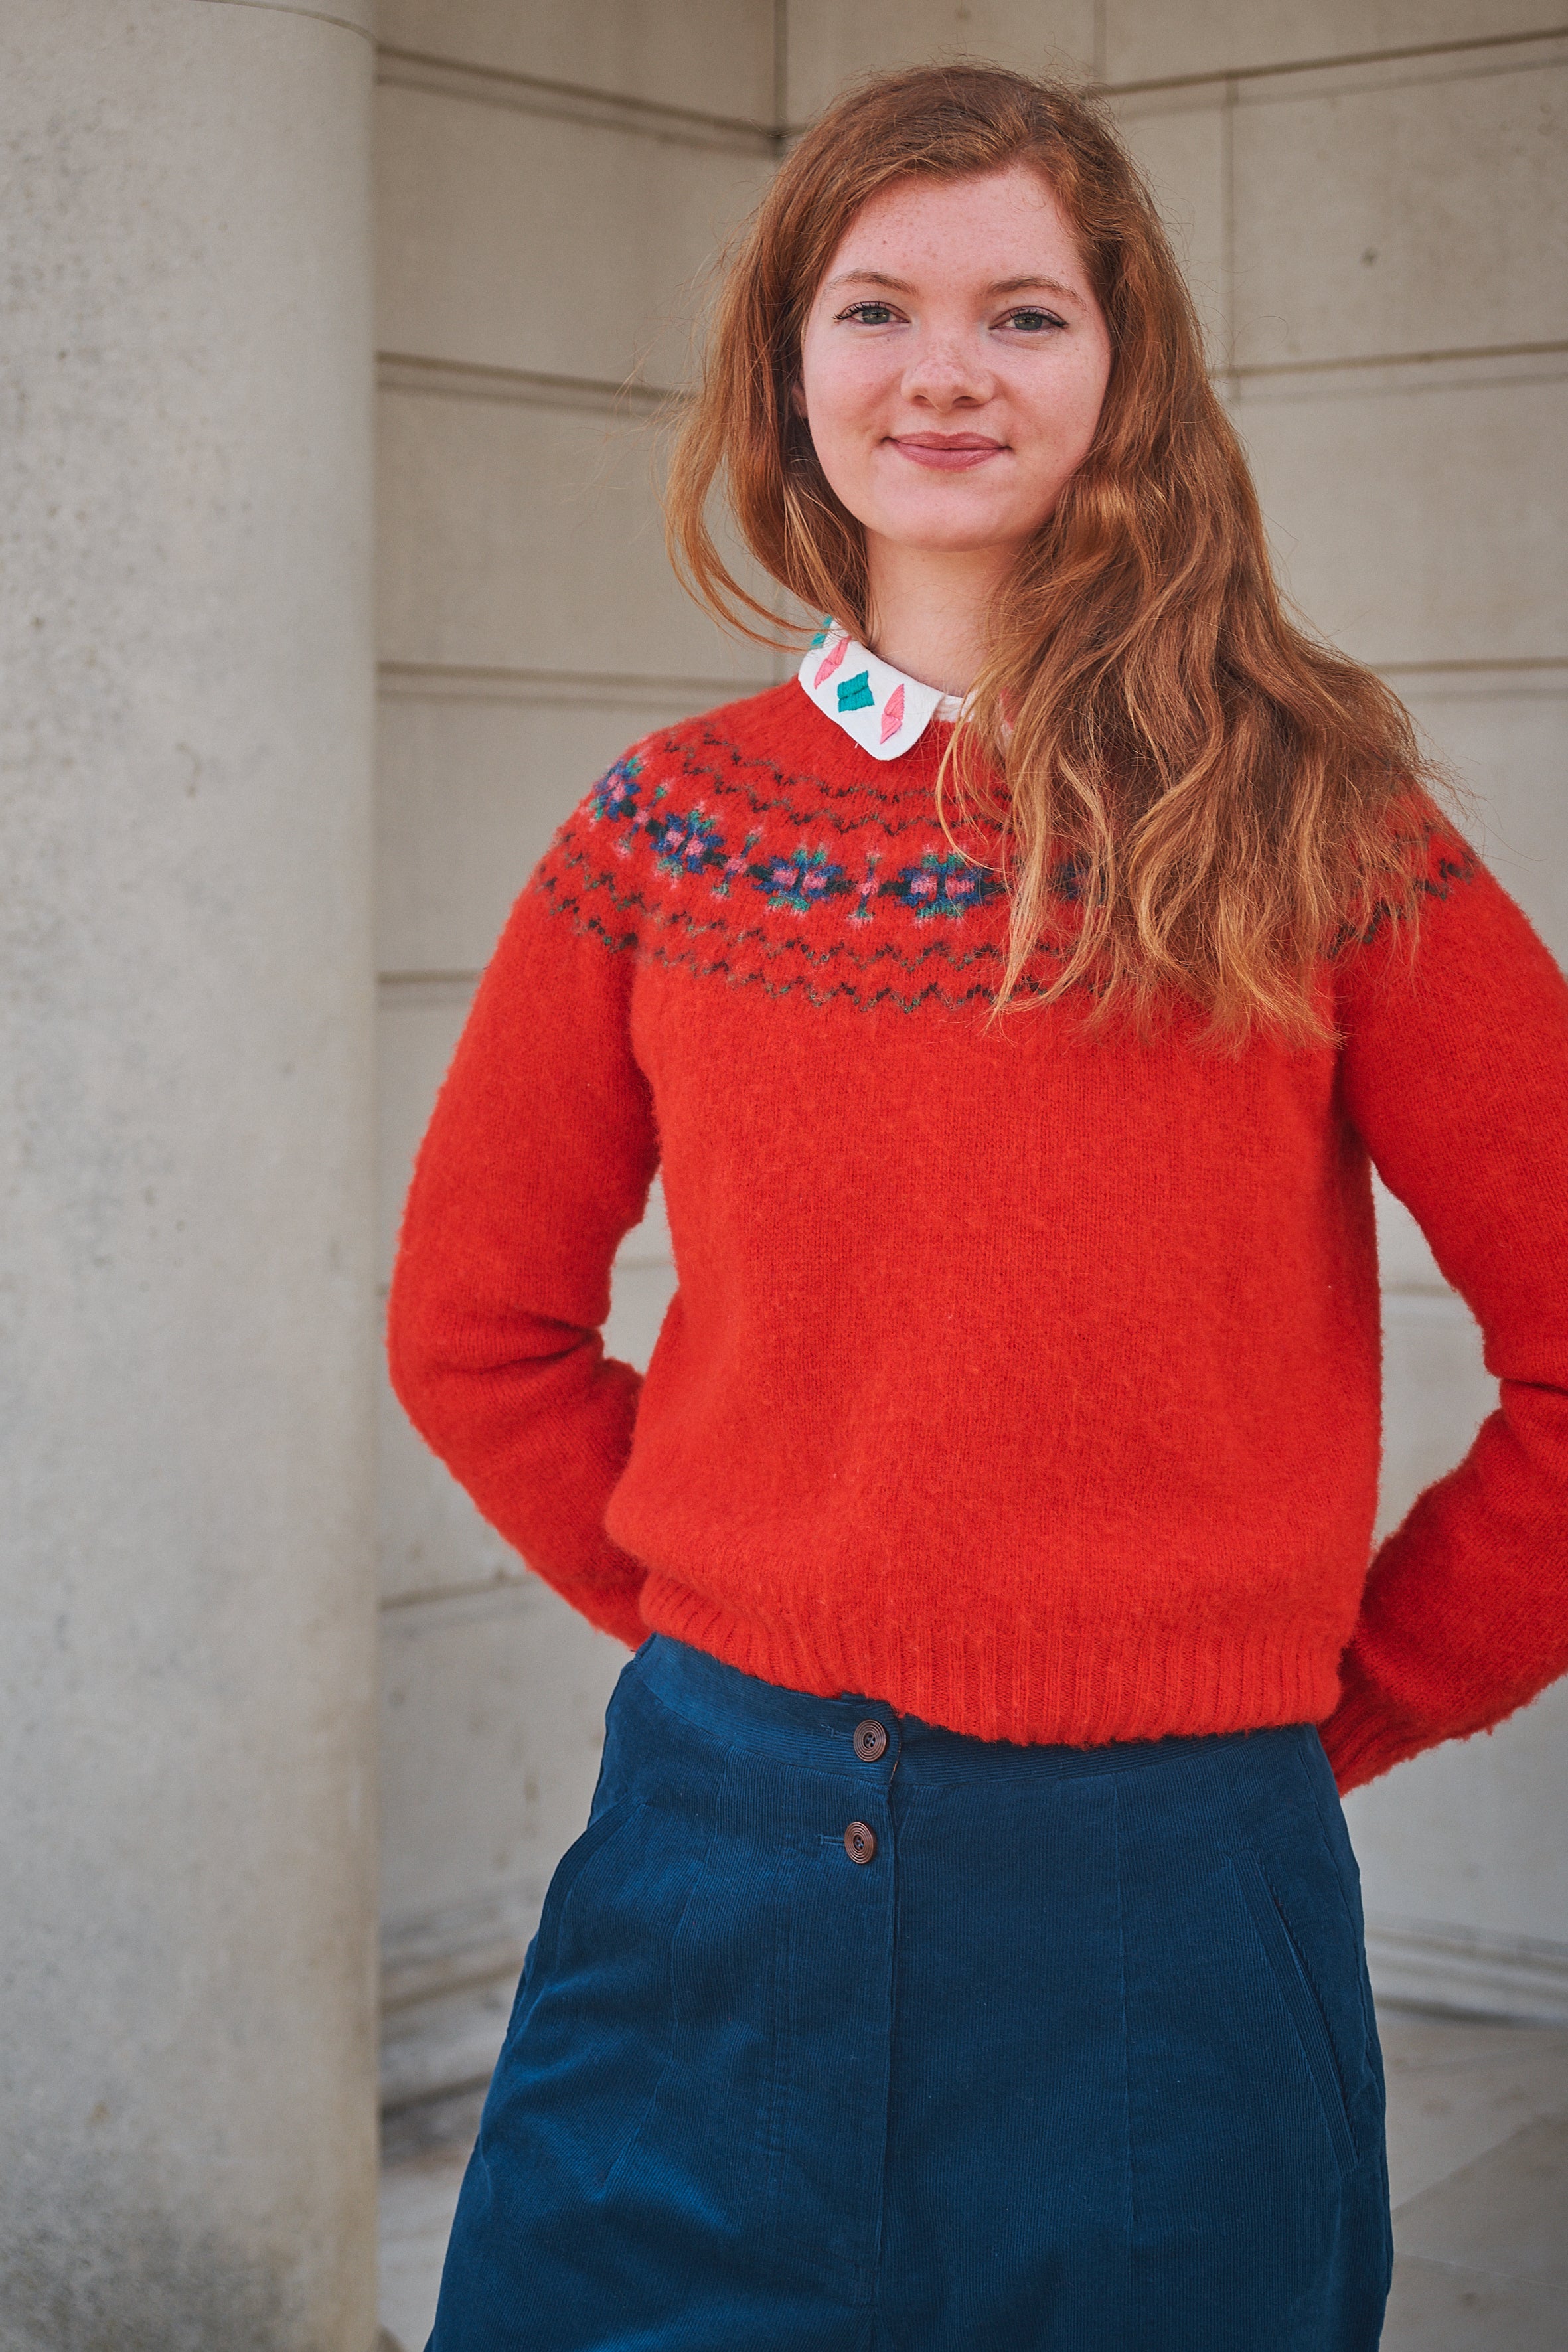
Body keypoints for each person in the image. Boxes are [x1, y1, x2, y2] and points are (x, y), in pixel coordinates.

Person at [386, 62, 1568, 2352]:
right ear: (787, 368)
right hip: (706, 1871)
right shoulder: (663, 828)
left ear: (1124, 369)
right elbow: (474, 1325)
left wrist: (1357, 1688)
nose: (942, 371)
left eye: (1023, 312)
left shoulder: (1313, 818)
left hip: (1162, 1901)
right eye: (875, 308)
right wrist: (732, 1608)